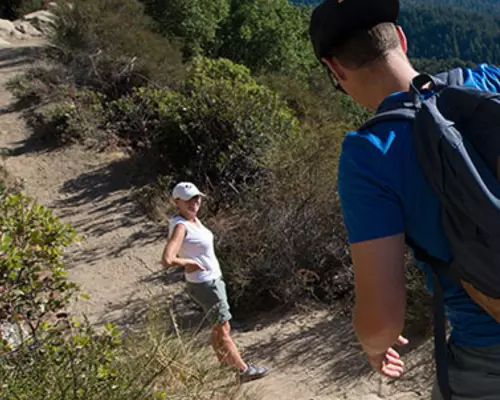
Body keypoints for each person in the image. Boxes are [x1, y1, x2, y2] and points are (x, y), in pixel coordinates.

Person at [309, 0, 500, 398]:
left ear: (335, 69)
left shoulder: (369, 154)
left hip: (488, 358)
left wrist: (375, 348)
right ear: (400, 38)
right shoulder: (488, 81)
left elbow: (382, 322)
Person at [161, 181, 269, 383]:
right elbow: (167, 259)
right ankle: (243, 370)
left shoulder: (191, 220)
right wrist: (188, 263)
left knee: (219, 327)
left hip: (209, 281)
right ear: (177, 202)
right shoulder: (181, 226)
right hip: (206, 284)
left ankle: (224, 364)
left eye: (196, 198)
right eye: (188, 200)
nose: (194, 203)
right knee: (223, 329)